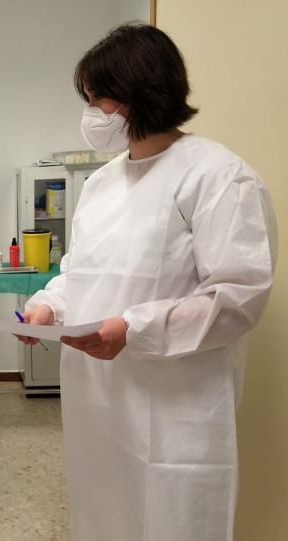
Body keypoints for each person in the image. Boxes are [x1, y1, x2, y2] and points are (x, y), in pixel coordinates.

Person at [16, 24, 277, 541]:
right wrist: (49, 307)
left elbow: (238, 296)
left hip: (174, 404)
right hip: (98, 404)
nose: (91, 113)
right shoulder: (102, 183)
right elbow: (80, 272)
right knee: (105, 513)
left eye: (98, 98)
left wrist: (132, 328)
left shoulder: (218, 176)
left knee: (171, 518)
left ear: (142, 93)